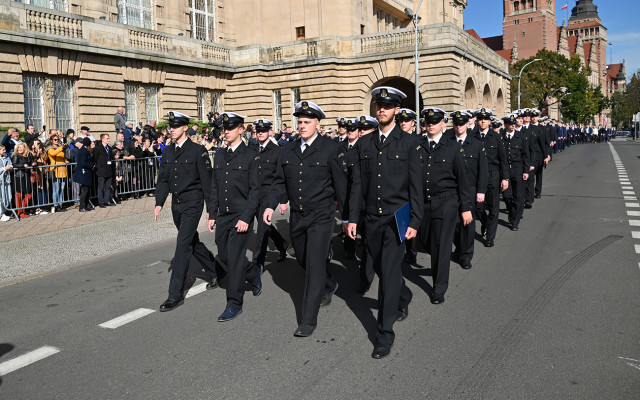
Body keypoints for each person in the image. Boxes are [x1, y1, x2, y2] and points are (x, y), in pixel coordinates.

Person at [346, 87, 423, 359]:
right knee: (380, 268)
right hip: (370, 219)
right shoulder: (365, 145)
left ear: (396, 111)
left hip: (396, 218)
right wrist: (352, 218)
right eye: (379, 105)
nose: (382, 109)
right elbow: (357, 186)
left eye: (388, 106)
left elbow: (416, 186)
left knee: (388, 274)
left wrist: (415, 219)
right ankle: (403, 297)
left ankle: (383, 335)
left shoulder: (409, 143)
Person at [263, 100, 347, 338]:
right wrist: (270, 205)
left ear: (317, 124)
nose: (301, 126)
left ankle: (308, 320)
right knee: (302, 259)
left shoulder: (330, 149)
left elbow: (341, 187)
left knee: (313, 266)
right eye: (299, 122)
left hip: (321, 215)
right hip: (298, 216)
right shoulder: (287, 150)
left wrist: (349, 217)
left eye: (307, 122)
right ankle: (329, 284)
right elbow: (279, 181)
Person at [154, 111, 221, 312]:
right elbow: (164, 179)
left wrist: (211, 211)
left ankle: (175, 295)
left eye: (175, 126)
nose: (171, 130)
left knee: (182, 245)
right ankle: (216, 270)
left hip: (193, 203)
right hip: (177, 204)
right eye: (170, 126)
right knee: (192, 241)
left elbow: (207, 183)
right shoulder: (168, 152)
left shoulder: (197, 151)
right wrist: (159, 202)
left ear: (185, 128)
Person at [206, 112, 262, 322]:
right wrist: (212, 213)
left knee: (236, 259)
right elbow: (214, 186)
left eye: (231, 128)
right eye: (224, 128)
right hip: (223, 215)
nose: (226, 132)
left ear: (241, 129)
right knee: (224, 255)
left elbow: (255, 190)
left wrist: (246, 218)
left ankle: (234, 303)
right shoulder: (220, 154)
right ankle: (253, 272)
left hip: (241, 214)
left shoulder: (250, 155)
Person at [448, 110, 488, 269]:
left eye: (461, 124)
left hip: (470, 190)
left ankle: (466, 255)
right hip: (451, 190)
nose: (458, 127)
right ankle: (459, 248)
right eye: (456, 124)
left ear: (467, 124)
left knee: (468, 224)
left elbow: (483, 170)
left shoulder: (476, 143)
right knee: (455, 224)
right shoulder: (447, 141)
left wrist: (481, 191)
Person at [252, 118, 289, 271]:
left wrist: (283, 200)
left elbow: (282, 177)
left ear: (269, 132)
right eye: (258, 131)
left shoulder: (277, 151)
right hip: (254, 194)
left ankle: (257, 264)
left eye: (263, 130)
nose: (260, 133)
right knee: (265, 225)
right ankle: (282, 244)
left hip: (269, 194)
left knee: (261, 228)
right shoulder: (251, 150)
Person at [474, 110, 509, 247]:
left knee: (494, 208)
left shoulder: (496, 137)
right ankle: (485, 221)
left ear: (489, 121)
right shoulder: (472, 136)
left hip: (493, 176)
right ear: (477, 121)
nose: (483, 121)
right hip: (476, 178)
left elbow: (503, 159)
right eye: (480, 119)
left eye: (485, 119)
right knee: (478, 207)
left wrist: (505, 178)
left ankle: (490, 237)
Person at [501, 114, 530, 231]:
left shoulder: (521, 137)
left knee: (518, 197)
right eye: (510, 123)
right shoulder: (500, 137)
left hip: (518, 169)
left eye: (514, 123)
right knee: (507, 195)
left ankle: (514, 221)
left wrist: (526, 170)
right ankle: (512, 211)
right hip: (505, 170)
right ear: (506, 124)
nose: (513, 125)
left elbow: (525, 155)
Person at [11, 142, 35, 219]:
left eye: (21, 147)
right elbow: (14, 164)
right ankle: (20, 212)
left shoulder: (28, 155)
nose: (19, 149)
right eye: (18, 147)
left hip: (26, 176)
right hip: (18, 177)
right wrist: (22, 165)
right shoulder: (16, 155)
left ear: (25, 148)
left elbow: (31, 162)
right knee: (19, 195)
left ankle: (23, 209)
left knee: (29, 194)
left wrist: (33, 163)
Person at [47, 133, 69, 212]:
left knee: (62, 188)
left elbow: (62, 156)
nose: (57, 141)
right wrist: (61, 147)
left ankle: (61, 204)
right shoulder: (50, 148)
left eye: (57, 139)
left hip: (62, 170)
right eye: (55, 140)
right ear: (51, 141)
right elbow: (53, 154)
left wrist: (65, 160)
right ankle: (56, 205)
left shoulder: (60, 148)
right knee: (56, 189)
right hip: (55, 170)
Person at [73, 137, 94, 212]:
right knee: (84, 190)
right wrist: (91, 166)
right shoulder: (84, 151)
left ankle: (86, 205)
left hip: (85, 172)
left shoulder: (83, 150)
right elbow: (83, 162)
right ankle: (81, 207)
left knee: (86, 190)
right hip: (84, 172)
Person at [93, 134, 114, 208]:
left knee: (108, 187)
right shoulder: (98, 148)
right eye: (107, 138)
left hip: (108, 169)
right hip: (101, 170)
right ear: (103, 139)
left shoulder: (109, 148)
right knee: (101, 187)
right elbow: (95, 158)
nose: (108, 140)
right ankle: (101, 201)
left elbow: (111, 158)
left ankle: (106, 200)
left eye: (109, 138)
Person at [0, 144, 13, 221]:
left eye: (5, 149)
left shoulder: (7, 158)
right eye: (3, 150)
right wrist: (4, 168)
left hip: (6, 180)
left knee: (8, 196)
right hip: (0, 180)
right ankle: (1, 213)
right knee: (1, 197)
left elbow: (11, 165)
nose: (4, 151)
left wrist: (10, 167)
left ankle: (4, 211)